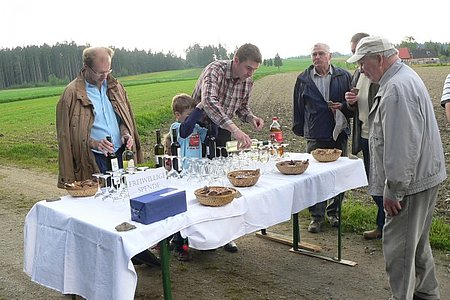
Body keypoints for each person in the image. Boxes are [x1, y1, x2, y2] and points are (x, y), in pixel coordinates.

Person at [347, 36, 446, 300]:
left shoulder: (396, 89)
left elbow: (403, 147)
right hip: (424, 176)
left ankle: (402, 296)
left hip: (411, 184)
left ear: (379, 58)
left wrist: (394, 190)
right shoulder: (401, 79)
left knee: (398, 248)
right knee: (416, 244)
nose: (361, 70)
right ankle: (427, 293)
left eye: (363, 63)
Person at [55, 46, 158, 267]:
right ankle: (106, 259)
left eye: (108, 71)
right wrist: (93, 142)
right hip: (93, 159)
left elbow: (123, 116)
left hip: (121, 154)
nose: (105, 77)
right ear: (86, 68)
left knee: (128, 202)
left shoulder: (115, 86)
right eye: (101, 73)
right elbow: (66, 135)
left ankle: (135, 250)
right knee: (102, 210)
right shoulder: (71, 94)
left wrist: (125, 132)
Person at [192, 43, 265, 252]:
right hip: (199, 129)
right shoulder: (214, 70)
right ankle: (192, 238)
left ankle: (223, 235)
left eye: (254, 70)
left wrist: (251, 118)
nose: (250, 74)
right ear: (236, 60)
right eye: (248, 68)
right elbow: (209, 101)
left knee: (222, 181)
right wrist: (235, 129)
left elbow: (241, 107)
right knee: (199, 182)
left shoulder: (246, 81)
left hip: (222, 130)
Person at [292, 43, 352, 233]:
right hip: (315, 134)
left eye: (321, 54)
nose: (317, 57)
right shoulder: (303, 79)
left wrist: (342, 106)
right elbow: (298, 107)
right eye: (314, 54)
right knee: (314, 178)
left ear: (330, 56)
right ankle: (316, 217)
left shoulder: (343, 76)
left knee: (339, 176)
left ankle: (334, 213)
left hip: (338, 132)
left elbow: (352, 103)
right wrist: (303, 130)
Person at [345, 33, 384, 240]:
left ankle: (387, 226)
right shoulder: (358, 73)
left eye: (357, 52)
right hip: (365, 137)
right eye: (352, 52)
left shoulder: (380, 73)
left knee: (382, 185)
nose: (356, 59)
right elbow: (355, 105)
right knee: (374, 183)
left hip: (381, 138)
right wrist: (349, 101)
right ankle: (383, 226)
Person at [168, 93, 207, 261]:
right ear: (178, 115)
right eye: (188, 116)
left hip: (196, 174)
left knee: (195, 210)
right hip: (181, 175)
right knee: (181, 210)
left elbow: (207, 133)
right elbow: (185, 131)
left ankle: (197, 240)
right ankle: (180, 245)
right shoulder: (176, 128)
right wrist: (198, 110)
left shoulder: (197, 129)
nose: (192, 119)